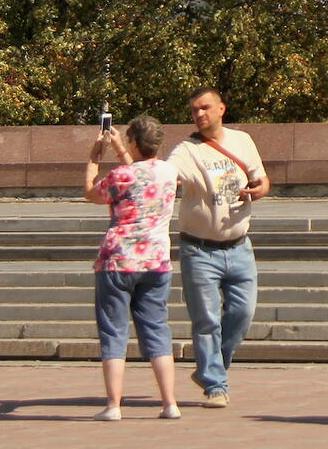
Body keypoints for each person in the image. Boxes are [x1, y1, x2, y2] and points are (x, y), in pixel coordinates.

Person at [167, 87, 269, 408]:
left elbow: (262, 181)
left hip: (239, 247)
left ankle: (212, 366)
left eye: (205, 108)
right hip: (199, 250)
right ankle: (215, 385)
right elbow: (166, 172)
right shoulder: (186, 150)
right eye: (194, 110)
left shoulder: (242, 141)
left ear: (221, 108)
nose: (199, 114)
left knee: (243, 313)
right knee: (207, 321)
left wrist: (256, 191)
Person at [84, 115, 181, 421]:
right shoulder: (169, 172)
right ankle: (169, 403)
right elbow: (141, 172)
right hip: (156, 260)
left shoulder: (119, 177)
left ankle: (113, 405)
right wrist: (120, 150)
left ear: (135, 143)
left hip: (118, 260)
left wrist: (95, 156)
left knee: (114, 331)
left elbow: (90, 191)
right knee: (156, 329)